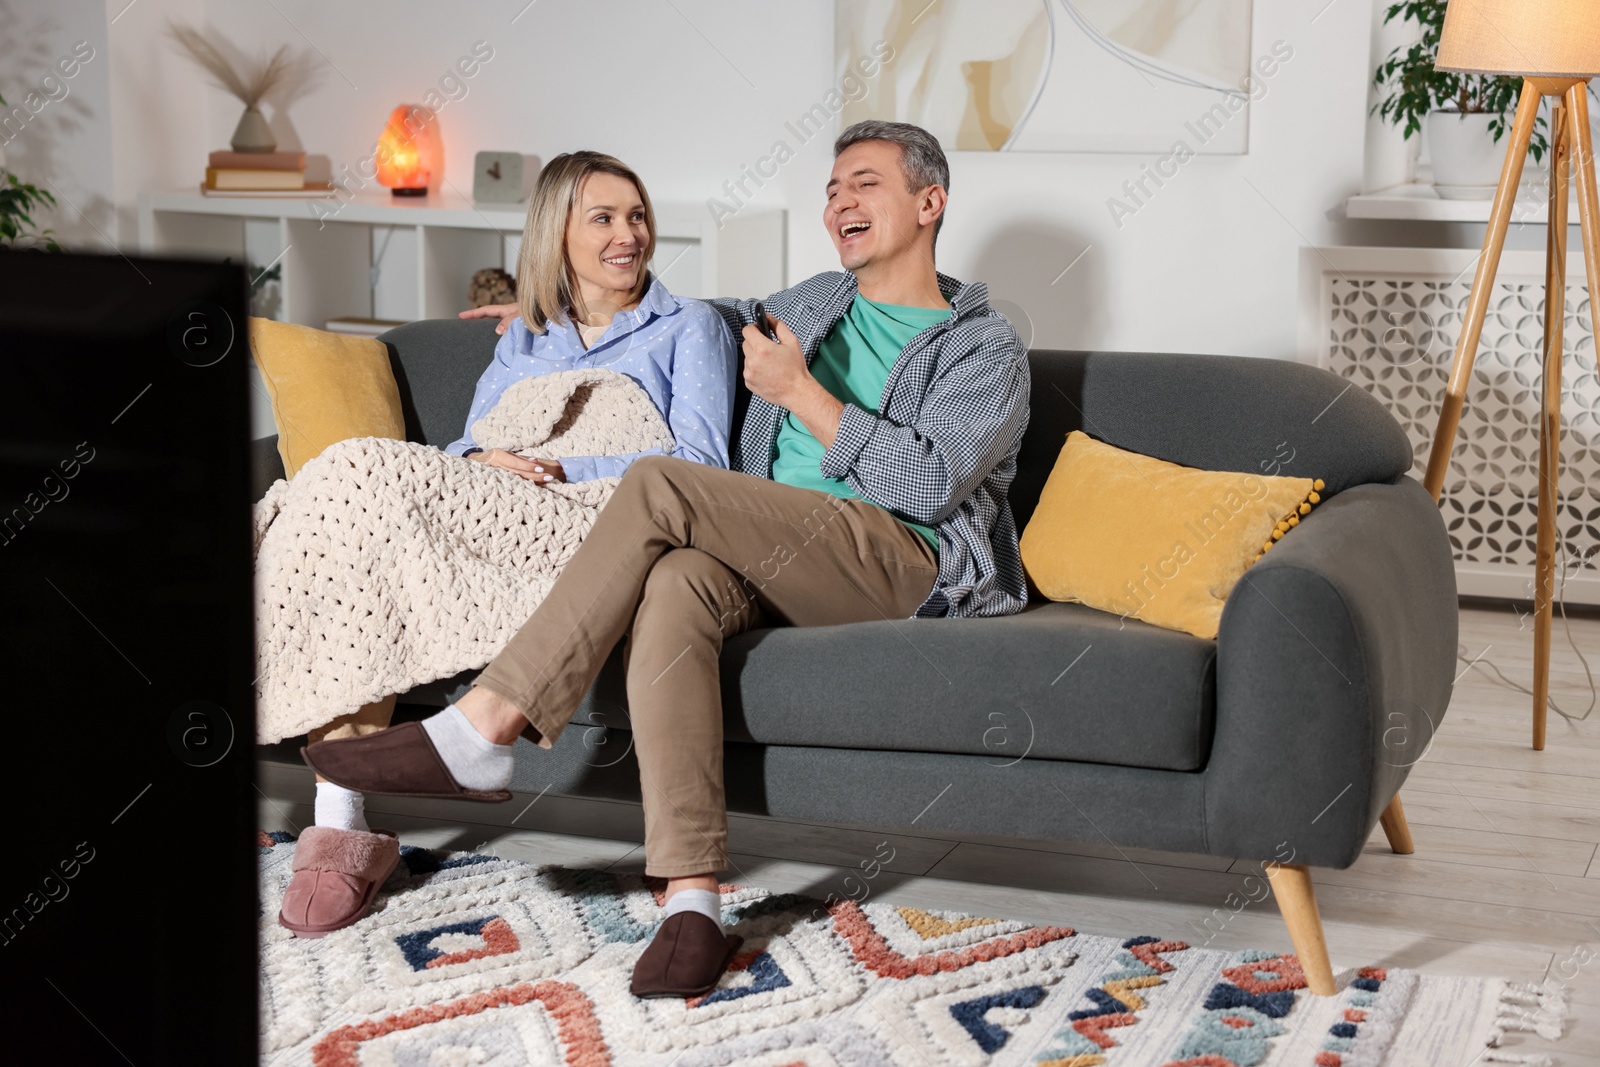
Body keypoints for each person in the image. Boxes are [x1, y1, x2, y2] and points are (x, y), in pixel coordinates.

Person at [302, 121, 1031, 997]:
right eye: (832, 187)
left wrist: (803, 394)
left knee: (661, 483)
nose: (840, 202)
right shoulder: (807, 304)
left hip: (898, 553)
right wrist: (560, 311)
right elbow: (700, 316)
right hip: (778, 544)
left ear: (929, 202)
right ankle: (693, 899)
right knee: (677, 584)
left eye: (864, 184)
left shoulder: (985, 347)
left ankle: (487, 728)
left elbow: (932, 481)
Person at [276, 150, 737, 939]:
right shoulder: (525, 336)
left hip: (604, 515)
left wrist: (563, 466)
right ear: (557, 233)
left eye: (638, 216)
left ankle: (344, 809)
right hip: (496, 504)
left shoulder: (689, 326)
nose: (630, 235)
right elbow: (473, 442)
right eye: (604, 218)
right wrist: (482, 463)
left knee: (360, 470)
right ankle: (340, 814)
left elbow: (700, 469)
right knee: (360, 522)